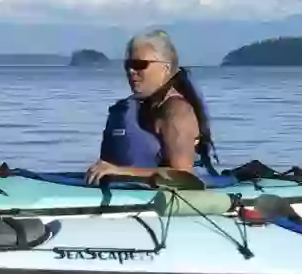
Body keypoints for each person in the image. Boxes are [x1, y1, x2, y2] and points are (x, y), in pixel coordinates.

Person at [84, 29, 213, 183]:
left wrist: (119, 171)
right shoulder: (139, 107)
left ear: (165, 68)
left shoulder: (176, 111)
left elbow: (184, 175)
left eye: (140, 64)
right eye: (128, 65)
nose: (131, 71)